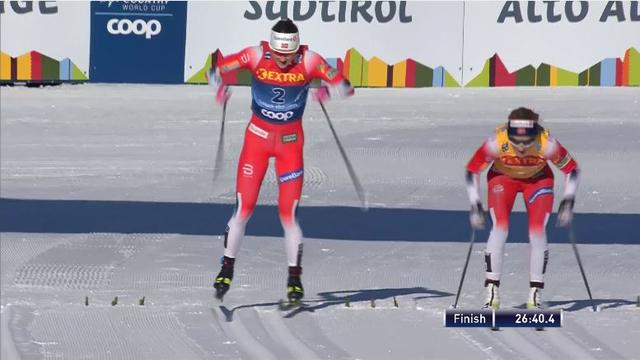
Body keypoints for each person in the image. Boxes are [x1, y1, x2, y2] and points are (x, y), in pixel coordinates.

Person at [208, 19, 354, 303]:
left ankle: (294, 278)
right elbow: (216, 69)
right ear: (270, 47)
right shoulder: (254, 55)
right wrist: (219, 88)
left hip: (290, 145)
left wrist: (327, 91)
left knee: (288, 215)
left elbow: (346, 85)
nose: (284, 60)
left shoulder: (310, 60)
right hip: (257, 141)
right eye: (279, 54)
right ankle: (226, 267)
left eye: (289, 54)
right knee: (244, 208)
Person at [464, 107, 579, 309]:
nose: (522, 148)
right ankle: (492, 292)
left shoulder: (547, 144)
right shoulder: (496, 142)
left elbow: (572, 170)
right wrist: (474, 203)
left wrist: (568, 200)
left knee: (537, 231)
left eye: (527, 142)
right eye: (517, 142)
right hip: (503, 178)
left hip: (537, 181)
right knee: (500, 227)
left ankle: (535, 294)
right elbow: (472, 170)